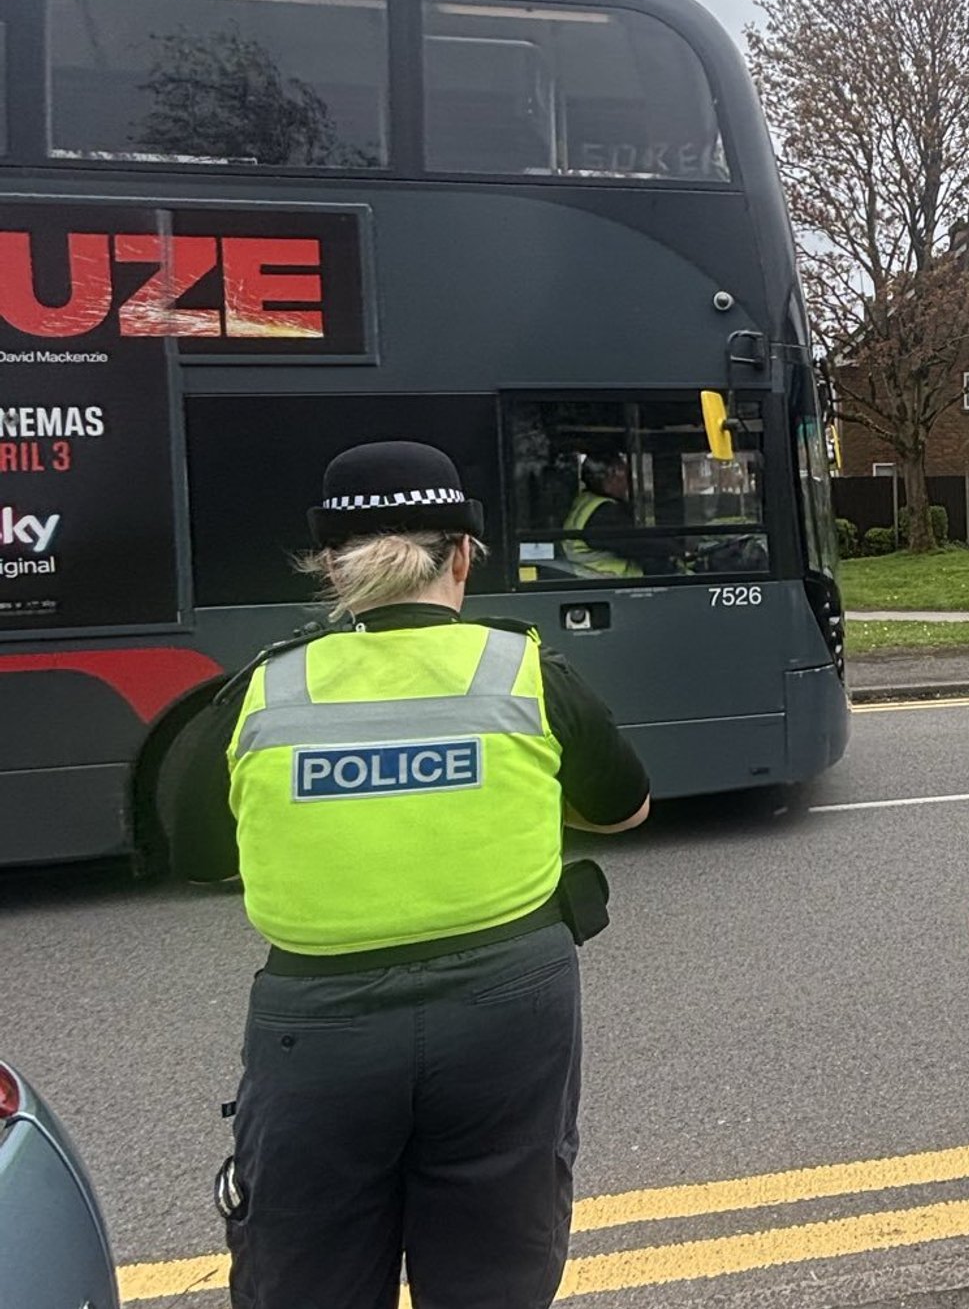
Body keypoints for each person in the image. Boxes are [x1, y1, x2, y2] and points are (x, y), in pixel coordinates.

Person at [157, 440, 651, 1309]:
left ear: (331, 568)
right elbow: (625, 808)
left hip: (318, 1025)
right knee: (495, 1270)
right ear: (463, 556)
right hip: (509, 1008)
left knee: (309, 1274)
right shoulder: (525, 671)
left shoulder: (261, 691)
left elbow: (200, 856)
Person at [562, 450, 645, 578]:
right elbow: (637, 545)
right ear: (611, 476)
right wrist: (676, 547)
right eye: (625, 476)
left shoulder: (586, 501)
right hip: (612, 581)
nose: (627, 484)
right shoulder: (604, 512)